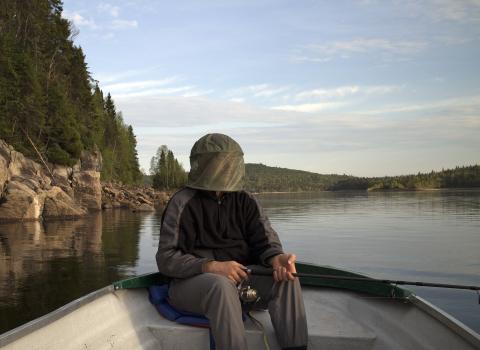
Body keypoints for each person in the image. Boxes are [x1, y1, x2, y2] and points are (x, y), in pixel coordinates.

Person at [156, 133, 308, 350]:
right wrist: (210, 266)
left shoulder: (247, 200)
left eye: (229, 164)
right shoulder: (182, 203)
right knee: (220, 285)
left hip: (243, 280)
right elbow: (166, 259)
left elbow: (266, 242)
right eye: (221, 164)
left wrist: (276, 258)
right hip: (192, 285)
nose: (226, 168)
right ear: (206, 165)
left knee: (287, 278)